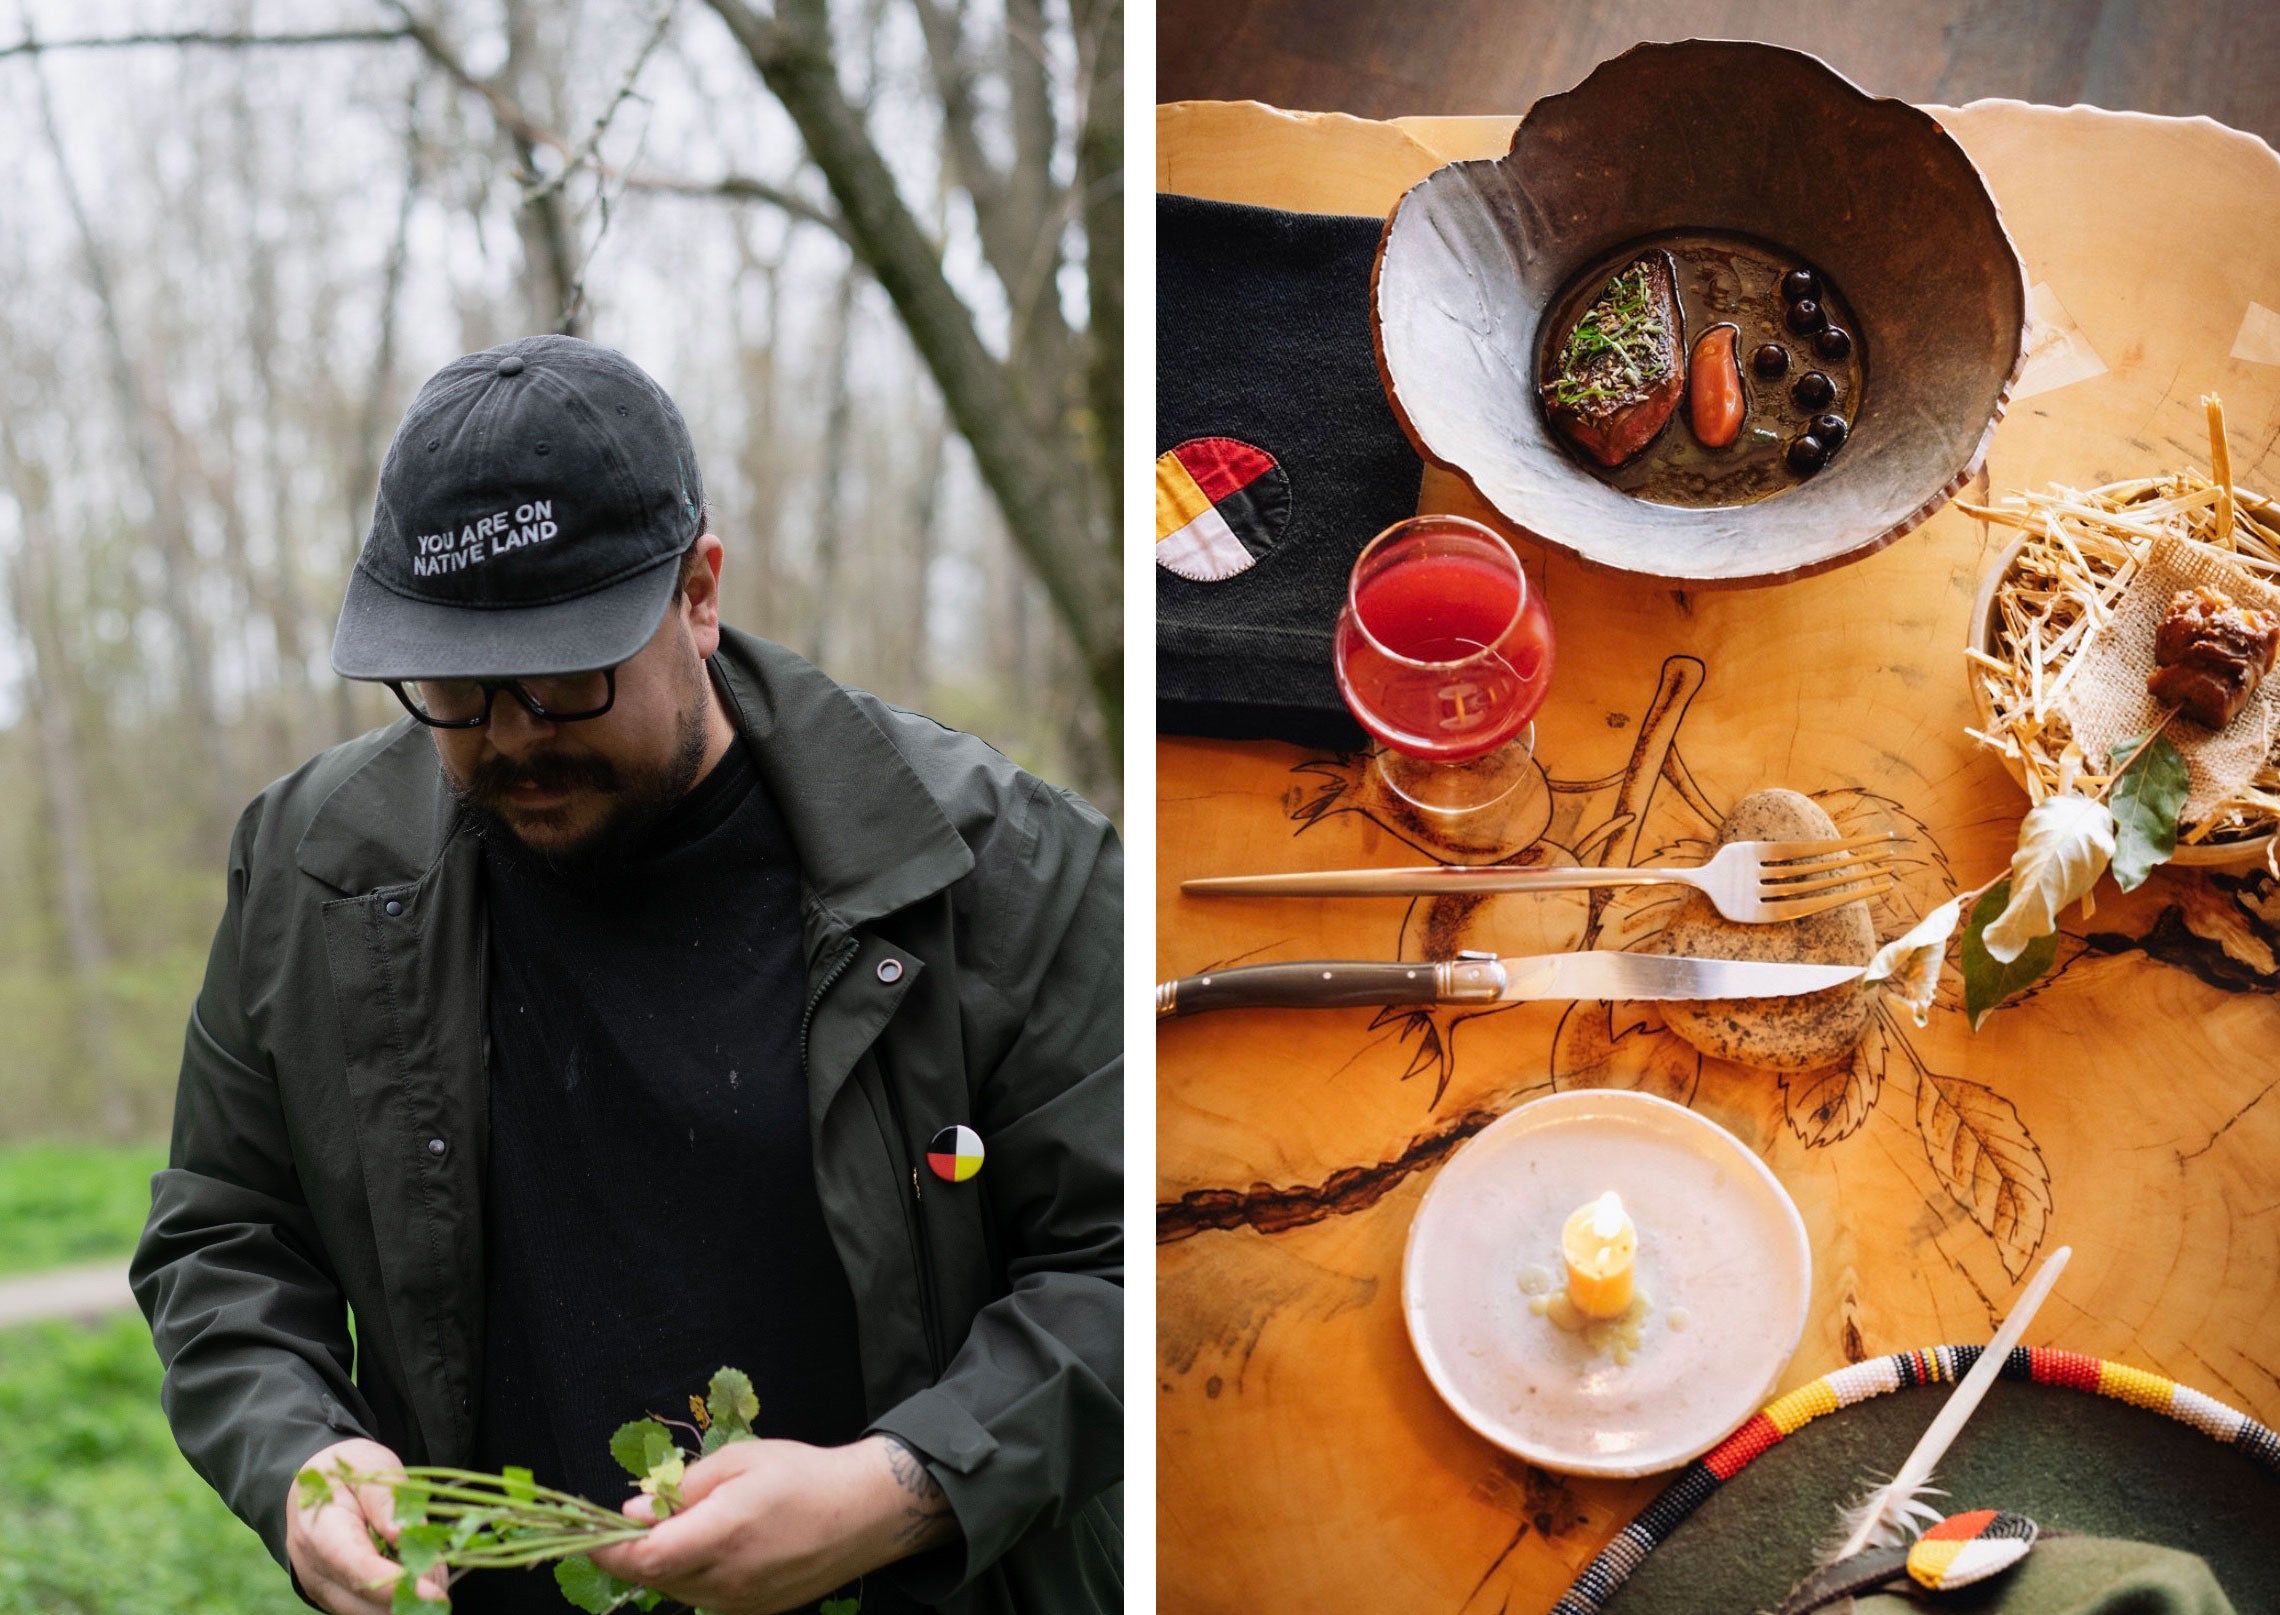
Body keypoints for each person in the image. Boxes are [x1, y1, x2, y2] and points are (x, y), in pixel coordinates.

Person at [130, 335, 1123, 1615]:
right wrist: (300, 1459)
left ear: (697, 594)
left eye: (567, 677)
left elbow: (1128, 1266)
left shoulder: (998, 869)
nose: (513, 735)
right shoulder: (312, 871)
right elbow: (224, 1233)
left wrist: (899, 1488)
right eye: (459, 688)